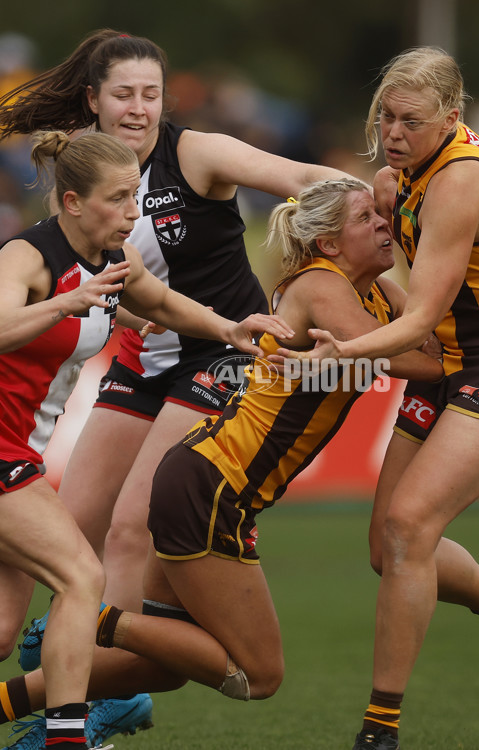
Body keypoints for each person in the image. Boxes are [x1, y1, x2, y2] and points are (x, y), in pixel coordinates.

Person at [0, 27, 361, 735]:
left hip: (221, 356)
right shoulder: (80, 181)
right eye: (125, 94)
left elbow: (296, 178)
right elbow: (121, 295)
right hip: (148, 360)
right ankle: (99, 673)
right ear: (92, 101)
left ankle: (89, 707)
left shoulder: (194, 152)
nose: (140, 108)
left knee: (129, 534)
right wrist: (75, 306)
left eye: (152, 95)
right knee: (70, 535)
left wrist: (382, 200)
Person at [0, 178, 444, 750]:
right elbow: (429, 362)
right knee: (260, 675)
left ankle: (19, 697)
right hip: (214, 489)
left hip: (202, 480)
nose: (385, 223)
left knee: (164, 665)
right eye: (368, 217)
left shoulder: (375, 291)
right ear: (330, 244)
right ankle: (97, 622)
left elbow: (429, 340)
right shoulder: (323, 285)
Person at [274, 48, 479, 750]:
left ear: (452, 118)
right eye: (386, 115)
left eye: (411, 119)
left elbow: (416, 319)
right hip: (452, 367)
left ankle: (379, 733)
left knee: (409, 528)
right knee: (387, 546)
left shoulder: (461, 181)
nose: (395, 131)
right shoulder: (396, 177)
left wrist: (342, 351)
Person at [0, 128, 295, 750]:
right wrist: (66, 303)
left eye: (137, 196)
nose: (135, 213)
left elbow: (161, 303)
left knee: (4, 630)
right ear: (73, 202)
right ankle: (65, 739)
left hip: (16, 452)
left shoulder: (111, 263)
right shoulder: (28, 257)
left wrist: (231, 329)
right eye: (119, 200)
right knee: (82, 578)